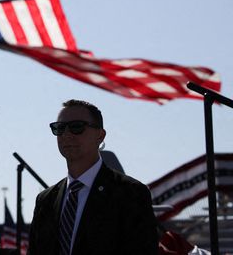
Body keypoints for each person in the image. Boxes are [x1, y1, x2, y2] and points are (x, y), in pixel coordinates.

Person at [28, 99, 159, 255]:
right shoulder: (45, 200)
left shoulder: (130, 193)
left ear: (100, 135)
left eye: (77, 127)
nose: (67, 134)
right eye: (60, 128)